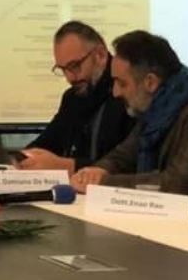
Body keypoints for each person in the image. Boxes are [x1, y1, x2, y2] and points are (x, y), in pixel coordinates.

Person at [70, 31, 188, 212]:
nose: (115, 92)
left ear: (150, 82)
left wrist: (102, 183)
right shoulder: (156, 110)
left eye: (122, 83)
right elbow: (122, 156)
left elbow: (174, 186)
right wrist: (95, 171)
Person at [18, 21, 136, 172]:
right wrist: (26, 158)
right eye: (63, 69)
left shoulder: (128, 94)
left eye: (75, 66)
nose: (70, 78)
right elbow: (48, 142)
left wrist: (68, 166)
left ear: (100, 55)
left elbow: (126, 164)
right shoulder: (72, 98)